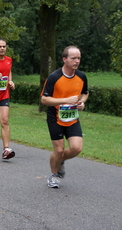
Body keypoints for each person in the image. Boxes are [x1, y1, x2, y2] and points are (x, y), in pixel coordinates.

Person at [41, 46, 89, 188]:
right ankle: (54, 175)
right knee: (59, 150)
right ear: (64, 59)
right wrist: (65, 100)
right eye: (73, 58)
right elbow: (44, 99)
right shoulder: (54, 77)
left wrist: (82, 102)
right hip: (55, 117)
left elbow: (85, 93)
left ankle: (59, 160)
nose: (76, 61)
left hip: (72, 117)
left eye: (78, 58)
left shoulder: (81, 76)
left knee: (76, 148)